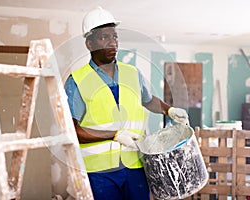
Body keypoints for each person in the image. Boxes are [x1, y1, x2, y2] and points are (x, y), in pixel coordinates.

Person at [64, 6, 189, 200]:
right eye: (104, 37)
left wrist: (169, 110)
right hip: (99, 173)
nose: (112, 42)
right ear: (89, 44)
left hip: (135, 166)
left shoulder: (132, 73)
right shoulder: (76, 81)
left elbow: (148, 101)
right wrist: (114, 135)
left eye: (114, 37)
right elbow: (73, 131)